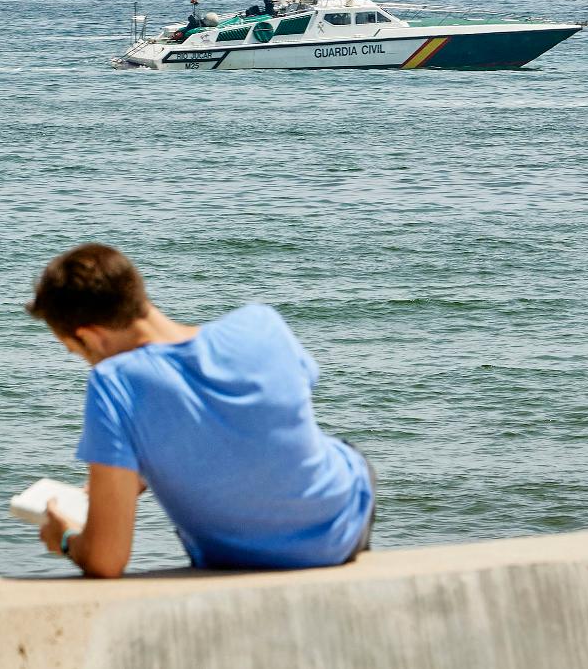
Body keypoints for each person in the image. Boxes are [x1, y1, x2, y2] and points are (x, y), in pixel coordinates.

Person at [25, 243, 375, 578]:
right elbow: (266, 422)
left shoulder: (112, 382)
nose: (87, 362)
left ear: (92, 336)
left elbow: (107, 560)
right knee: (339, 452)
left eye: (78, 351)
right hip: (340, 532)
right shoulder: (260, 324)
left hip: (239, 558)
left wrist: (67, 537)